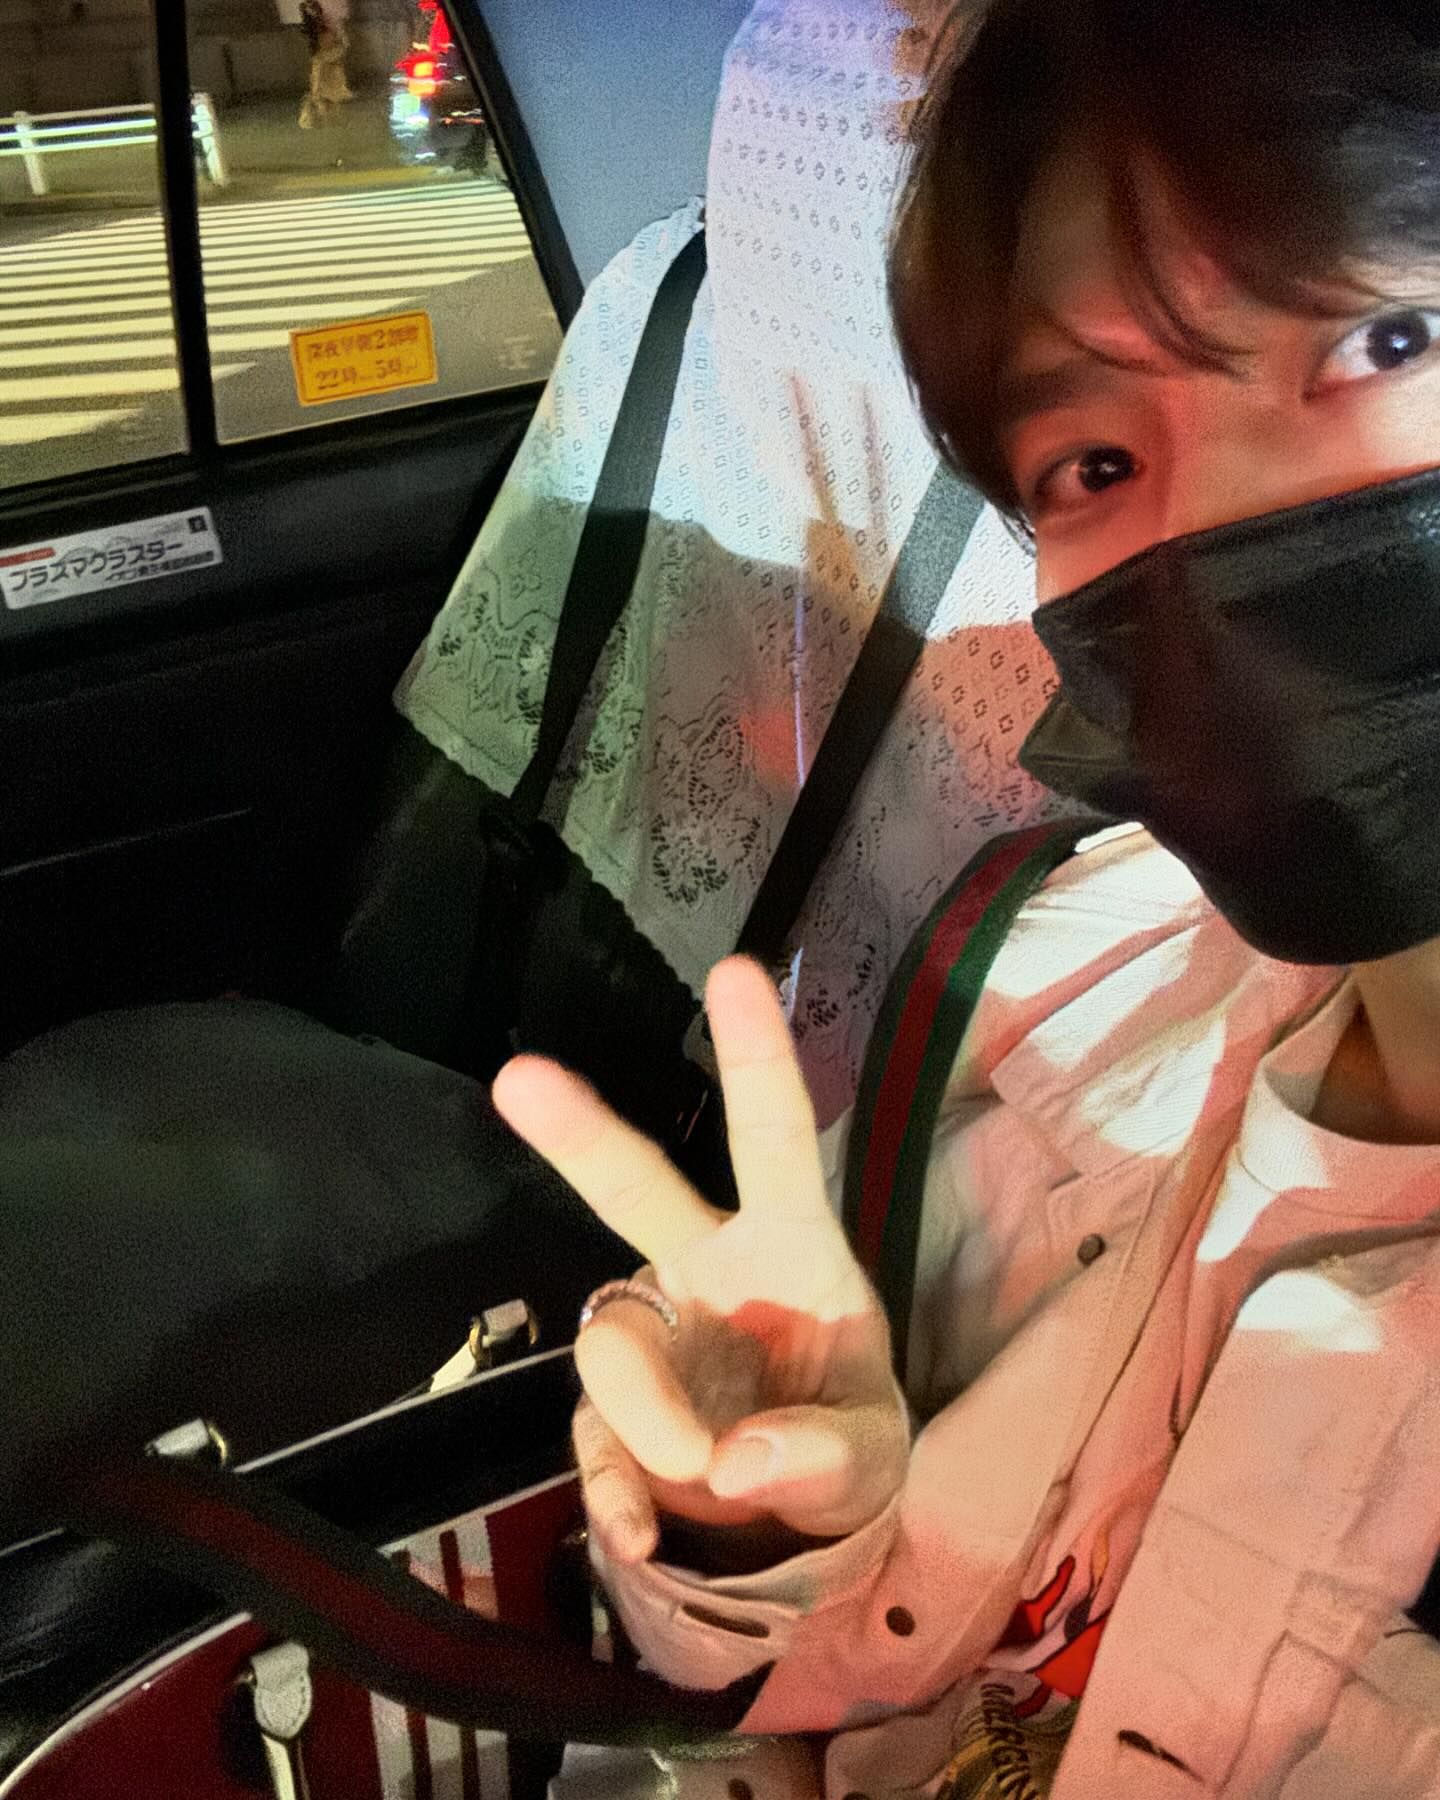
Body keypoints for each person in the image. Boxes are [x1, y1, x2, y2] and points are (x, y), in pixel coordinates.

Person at [491, 1, 1440, 1794]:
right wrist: (760, 1541)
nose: (1212, 524)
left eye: (1385, 336)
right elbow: (865, 1677)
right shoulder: (1063, 984)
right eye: (1094, 461)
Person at [298, 0, 352, 130]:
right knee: (325, 97)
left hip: (329, 67)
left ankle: (333, 122)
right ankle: (330, 122)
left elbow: (342, 46)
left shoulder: (328, 36)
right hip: (325, 67)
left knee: (329, 97)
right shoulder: (320, 52)